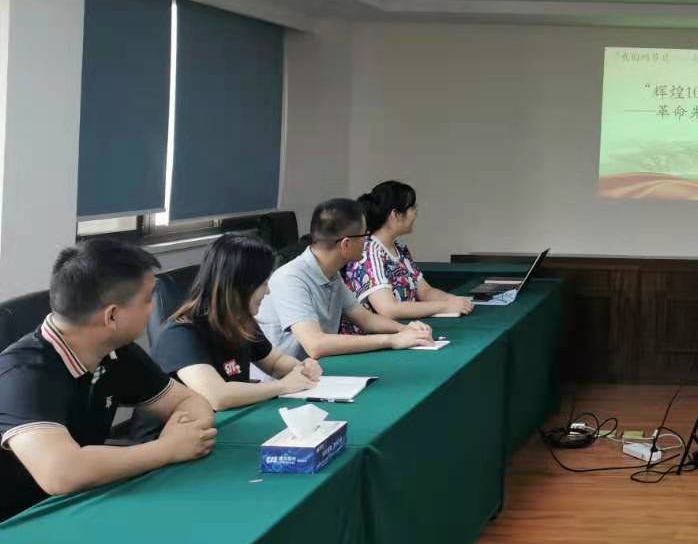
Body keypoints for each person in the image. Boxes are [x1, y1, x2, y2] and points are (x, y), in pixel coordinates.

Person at [0, 240, 216, 522]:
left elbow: (191, 401)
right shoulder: (21, 374)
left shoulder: (117, 352)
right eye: (148, 299)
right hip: (18, 523)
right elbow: (61, 473)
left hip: (79, 505)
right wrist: (167, 449)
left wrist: (181, 436)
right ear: (112, 316)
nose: (153, 308)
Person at [149, 235, 325, 411]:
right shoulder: (179, 335)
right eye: (263, 284)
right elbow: (217, 397)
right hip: (188, 426)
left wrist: (301, 368)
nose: (268, 292)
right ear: (241, 285)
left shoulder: (240, 321)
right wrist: (283, 386)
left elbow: (274, 363)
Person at [256, 198, 434, 359]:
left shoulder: (331, 273)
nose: (367, 241)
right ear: (346, 244)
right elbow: (315, 344)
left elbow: (365, 319)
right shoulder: (290, 279)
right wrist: (392, 340)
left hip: (315, 372)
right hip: (283, 380)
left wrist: (405, 329)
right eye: (364, 235)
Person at [342, 181, 475, 321]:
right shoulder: (369, 252)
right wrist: (444, 306)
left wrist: (455, 301)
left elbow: (425, 291)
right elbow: (389, 309)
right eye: (412, 207)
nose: (416, 212)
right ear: (395, 214)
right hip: (374, 333)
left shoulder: (399, 249)